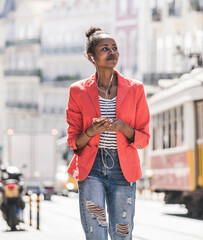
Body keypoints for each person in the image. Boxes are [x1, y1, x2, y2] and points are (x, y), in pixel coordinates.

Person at [66, 26, 150, 240]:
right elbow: (74, 141)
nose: (112, 52)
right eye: (105, 49)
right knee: (96, 232)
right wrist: (93, 130)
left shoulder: (135, 89)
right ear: (91, 56)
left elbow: (143, 138)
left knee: (122, 233)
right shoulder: (78, 91)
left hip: (124, 170)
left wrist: (122, 127)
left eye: (115, 48)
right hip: (91, 168)